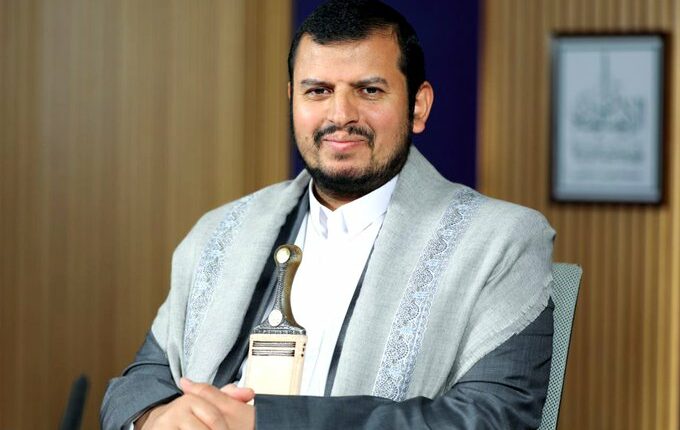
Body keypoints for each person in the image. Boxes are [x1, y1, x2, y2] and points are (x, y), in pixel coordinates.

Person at [101, 1, 556, 428]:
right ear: (292, 101)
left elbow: (491, 416)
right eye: (318, 91)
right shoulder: (222, 230)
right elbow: (141, 381)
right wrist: (159, 419)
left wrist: (263, 423)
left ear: (417, 106)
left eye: (369, 90)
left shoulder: (502, 241)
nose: (340, 115)